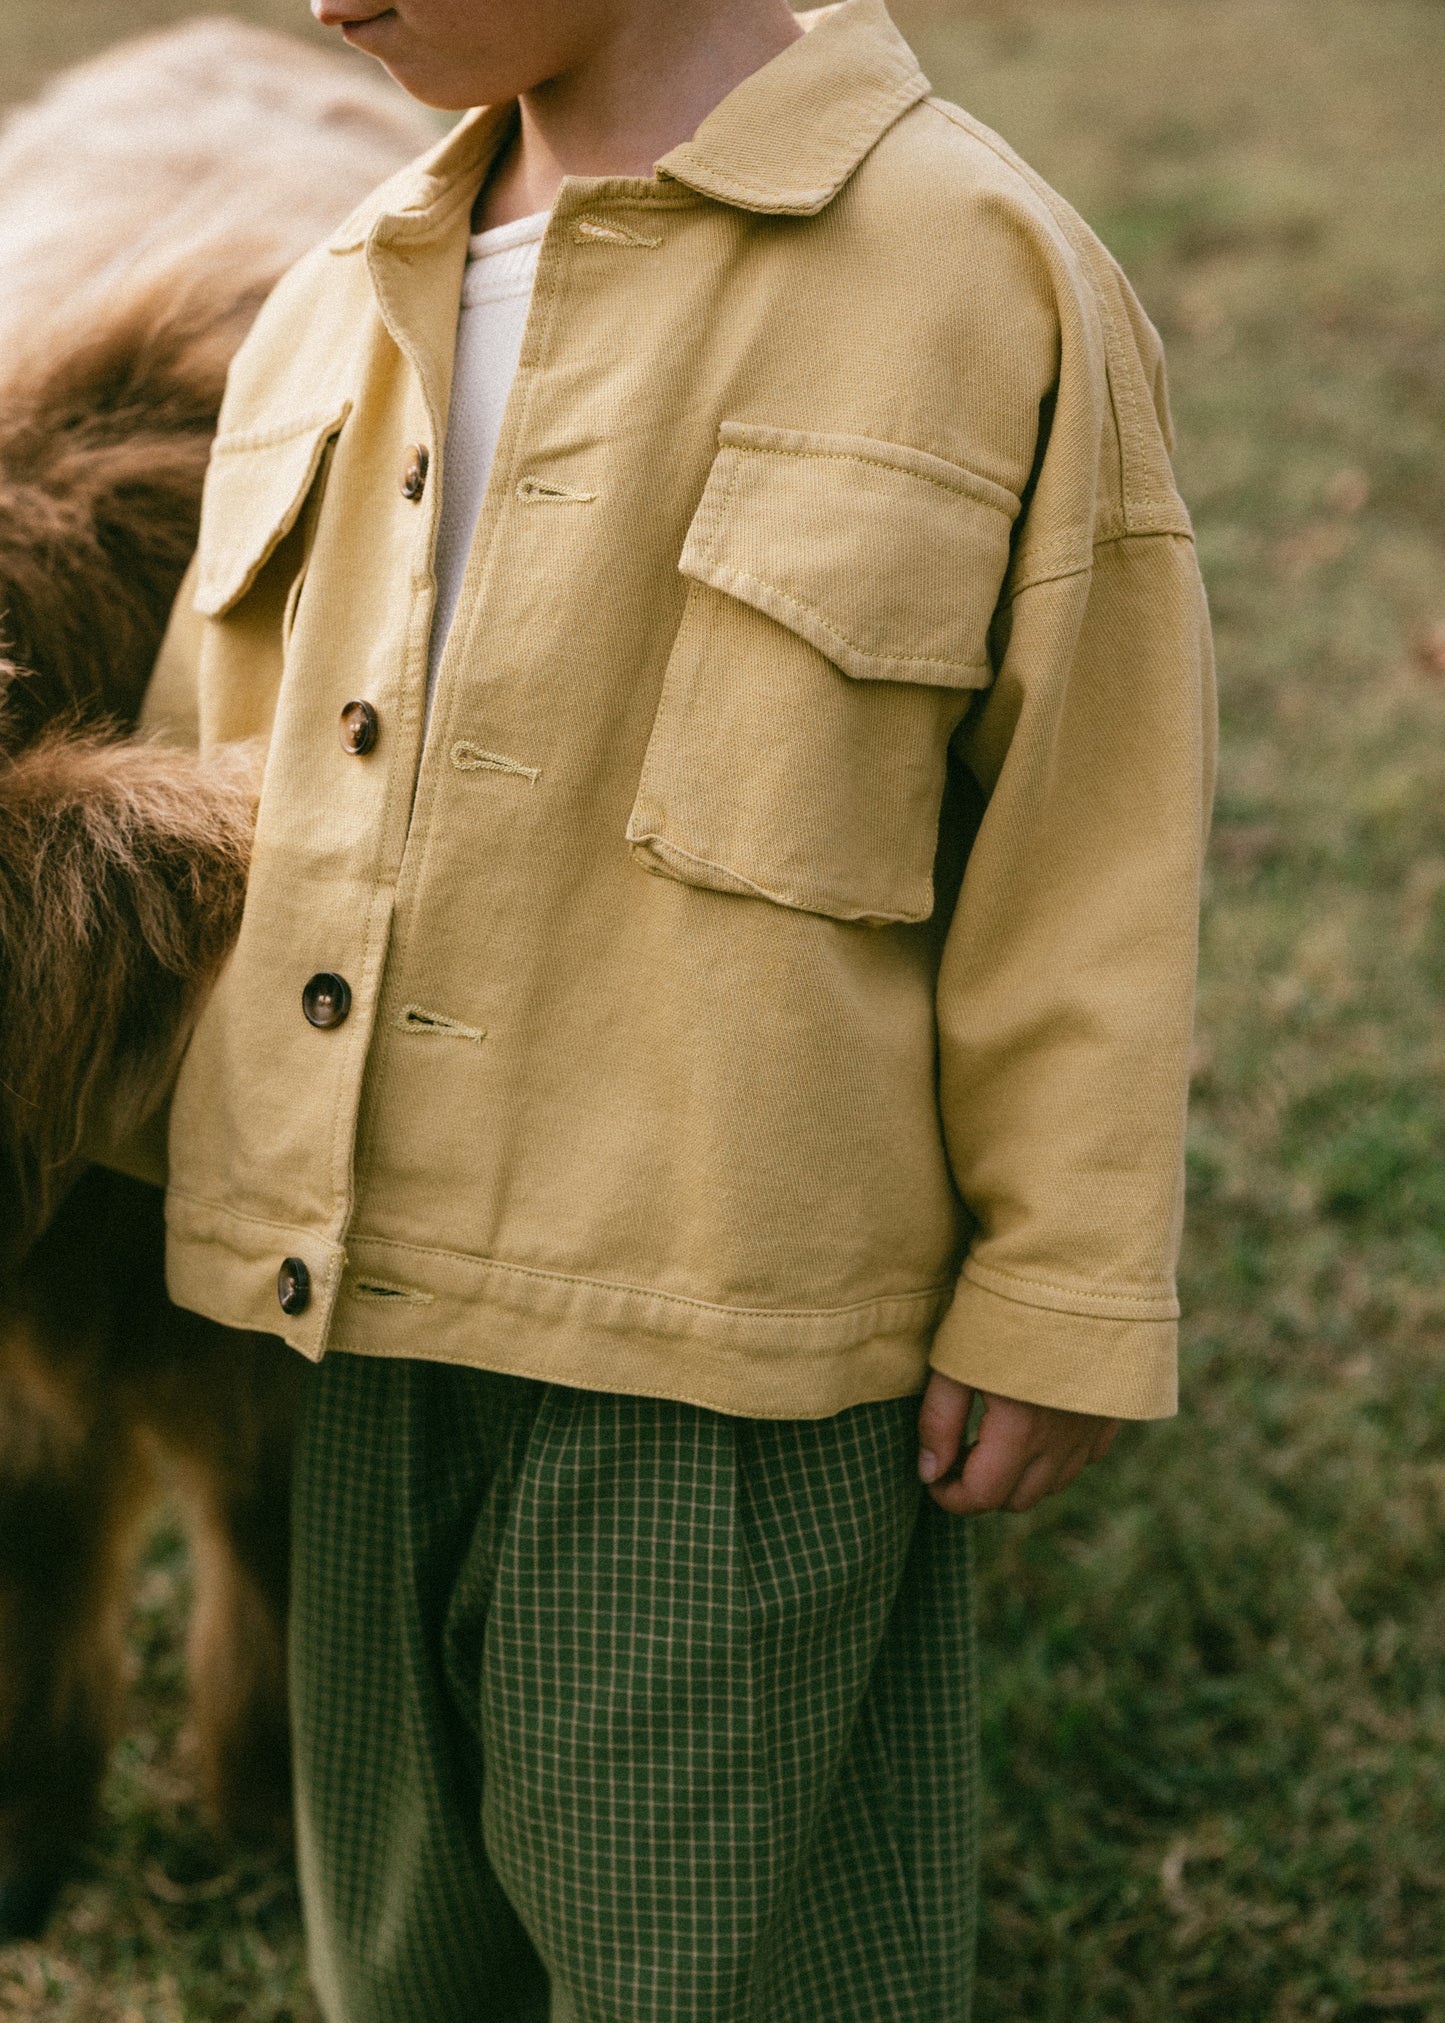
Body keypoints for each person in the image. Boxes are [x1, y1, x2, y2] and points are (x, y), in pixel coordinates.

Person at [134, 0, 1215, 2014]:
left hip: (724, 1349)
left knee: (720, 1955)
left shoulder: (979, 276)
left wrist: (1061, 1280)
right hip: (358, 1328)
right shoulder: (331, 303)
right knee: (403, 1945)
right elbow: (211, 806)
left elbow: (1091, 832)